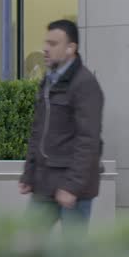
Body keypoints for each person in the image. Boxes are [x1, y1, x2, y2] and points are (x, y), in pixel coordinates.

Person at [18, 19, 104, 230]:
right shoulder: (48, 81)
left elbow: (89, 140)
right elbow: (38, 131)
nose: (45, 49)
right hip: (45, 182)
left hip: (74, 187)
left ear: (70, 48)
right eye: (46, 42)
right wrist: (28, 174)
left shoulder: (85, 84)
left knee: (71, 254)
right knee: (26, 245)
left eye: (53, 44)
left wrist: (72, 186)